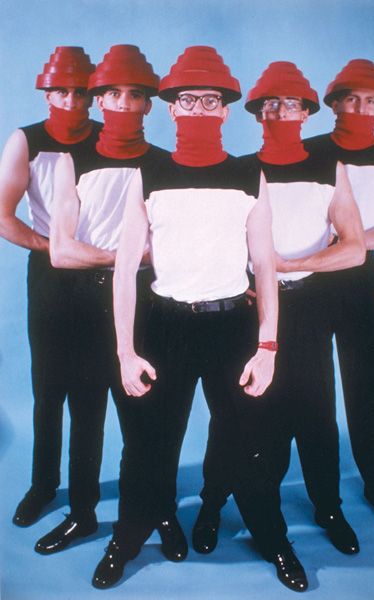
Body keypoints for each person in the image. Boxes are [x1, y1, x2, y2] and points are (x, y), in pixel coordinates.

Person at [92, 46, 308, 593]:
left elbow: (264, 265)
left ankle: (257, 528)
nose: (198, 109)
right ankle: (131, 532)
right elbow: (123, 271)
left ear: (225, 110)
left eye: (209, 101)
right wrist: (125, 350)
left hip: (232, 326)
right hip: (164, 326)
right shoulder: (148, 171)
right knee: (148, 441)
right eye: (187, 100)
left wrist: (268, 347)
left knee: (246, 438)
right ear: (171, 108)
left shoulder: (247, 173)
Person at [192, 61, 366, 558]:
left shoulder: (327, 170)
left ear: (308, 113)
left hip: (307, 303)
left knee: (316, 413)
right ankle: (212, 503)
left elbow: (353, 247)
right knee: (236, 416)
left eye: (291, 103)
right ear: (254, 113)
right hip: (248, 310)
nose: (280, 111)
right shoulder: (242, 170)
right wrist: (248, 278)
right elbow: (216, 240)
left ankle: (328, 507)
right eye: (270, 103)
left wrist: (290, 263)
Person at [32, 44, 176, 557]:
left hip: (147, 302)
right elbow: (62, 251)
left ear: (148, 104)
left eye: (133, 95)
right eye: (111, 93)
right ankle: (82, 514)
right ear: (98, 100)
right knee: (85, 409)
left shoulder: (165, 164)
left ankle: (157, 507)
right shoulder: (75, 161)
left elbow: (173, 244)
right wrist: (130, 255)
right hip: (82, 303)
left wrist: (132, 258)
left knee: (146, 413)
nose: (121, 103)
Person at [304, 59, 374, 526]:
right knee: (313, 389)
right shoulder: (306, 150)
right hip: (306, 280)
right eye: (351, 98)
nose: (360, 107)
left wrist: (347, 244)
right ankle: (324, 496)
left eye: (370, 101)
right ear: (333, 104)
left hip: (359, 278)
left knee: (369, 381)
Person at [0, 47, 100, 527]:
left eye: (82, 92)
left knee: (92, 394)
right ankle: (43, 485)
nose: (73, 101)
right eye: (63, 91)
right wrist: (48, 247)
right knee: (48, 389)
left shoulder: (110, 141)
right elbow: (2, 215)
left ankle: (84, 495)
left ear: (94, 97)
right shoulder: (27, 140)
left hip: (102, 277)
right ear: (47, 94)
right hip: (51, 277)